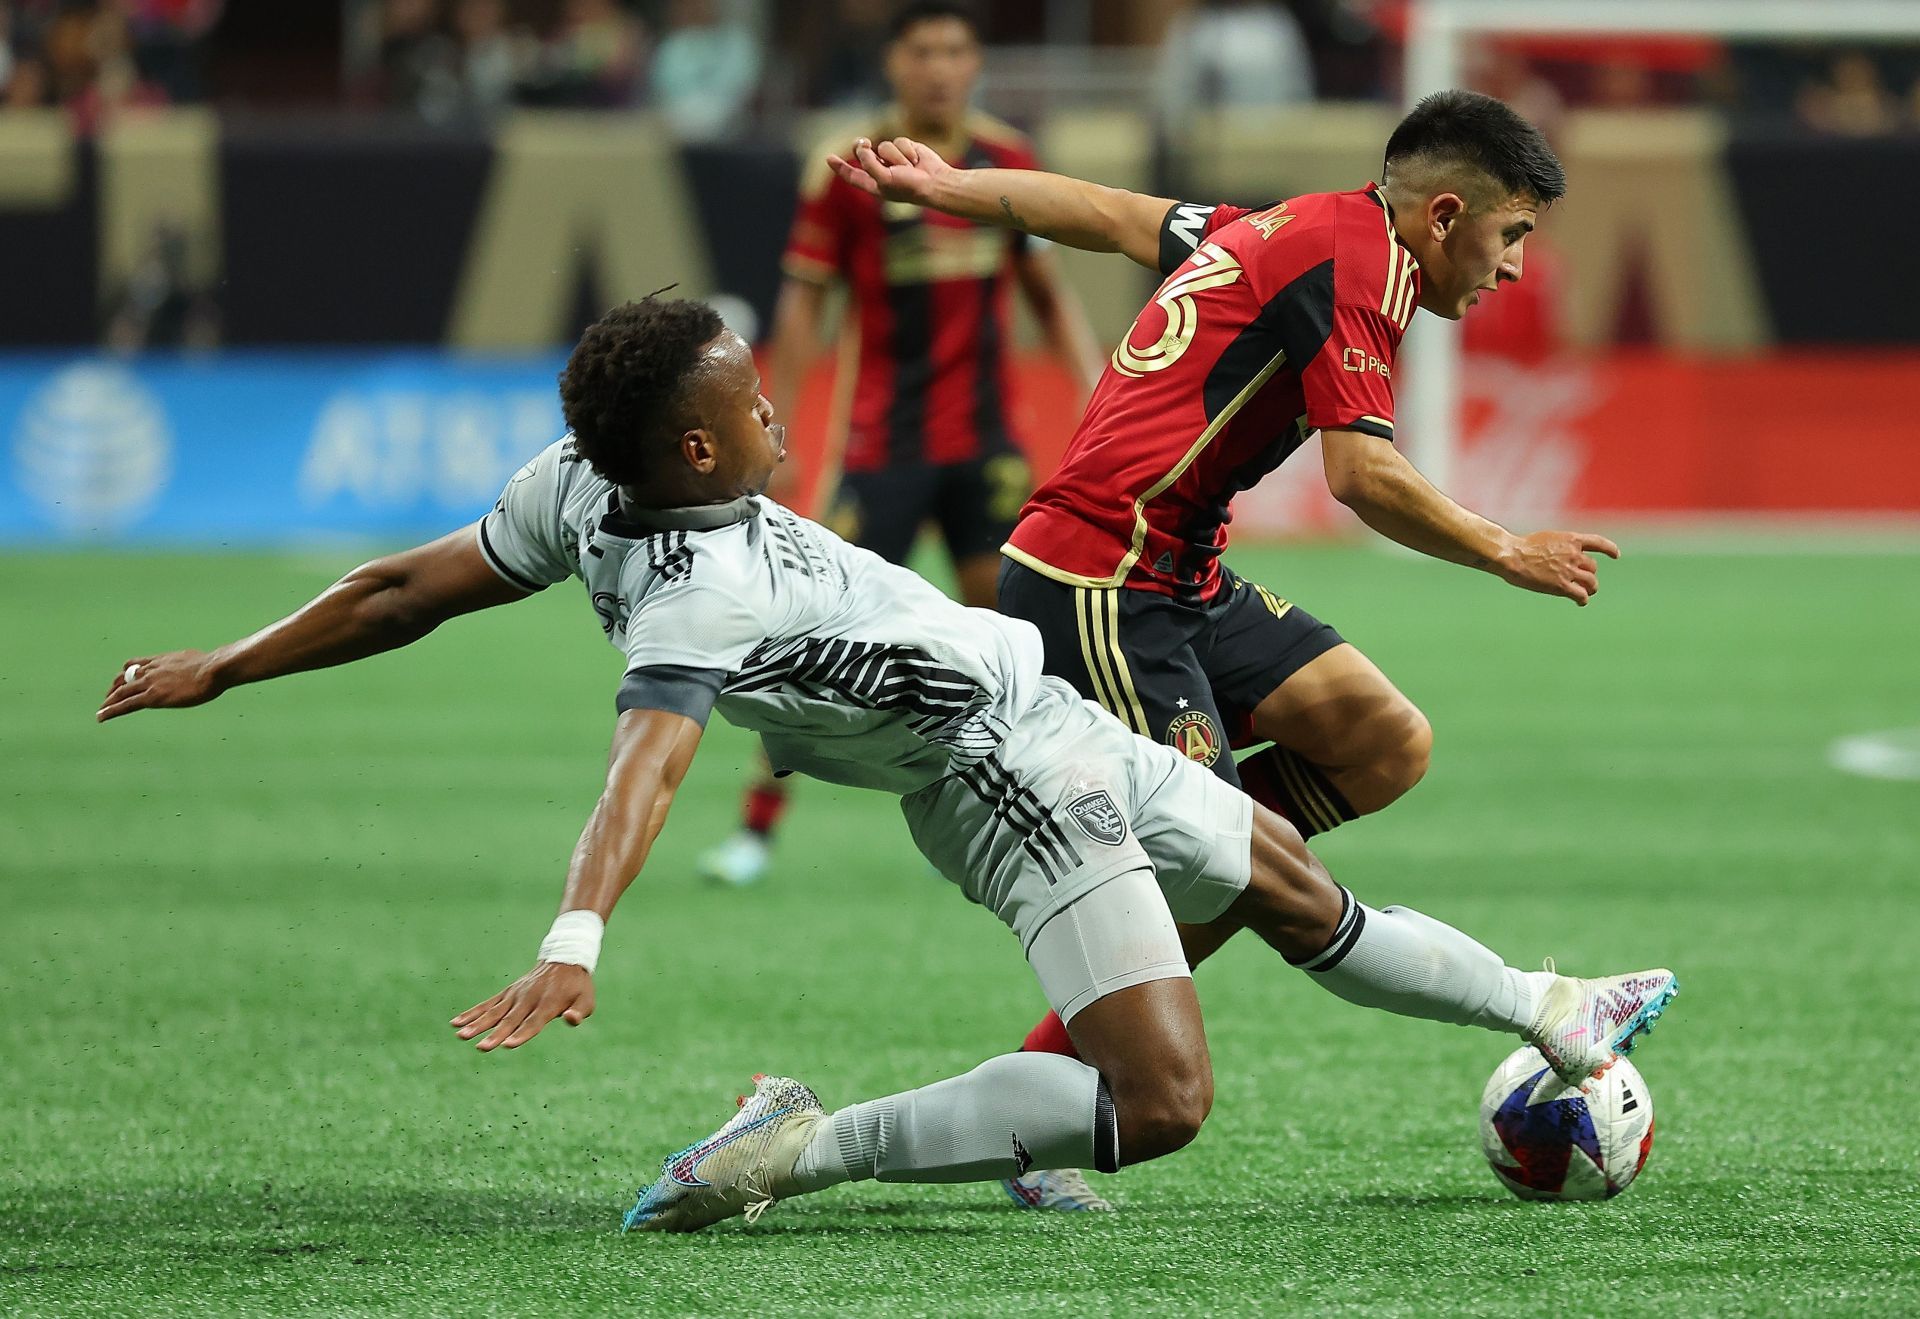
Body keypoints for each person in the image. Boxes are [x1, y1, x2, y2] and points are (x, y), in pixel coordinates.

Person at [97, 297, 1677, 1234]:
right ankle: (795, 1138)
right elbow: (647, 759)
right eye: (749, 395)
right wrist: (572, 936)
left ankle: (1554, 1006)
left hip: (1044, 711)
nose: (775, 403)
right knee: (1165, 1098)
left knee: (1286, 878)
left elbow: (399, 587)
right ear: (701, 449)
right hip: (1000, 773)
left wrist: (225, 663)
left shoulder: (578, 477)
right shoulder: (700, 586)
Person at [829, 89, 1624, 1206]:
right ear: (1446, 214)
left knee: (1379, 740)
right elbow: (1361, 476)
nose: (1511, 268)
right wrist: (1506, 549)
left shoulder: (1289, 225)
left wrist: (951, 188)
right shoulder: (1360, 271)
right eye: (1513, 236)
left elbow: (1105, 212)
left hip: (1177, 572)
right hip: (1102, 579)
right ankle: (1052, 1096)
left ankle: (1195, 872)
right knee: (1229, 863)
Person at [697, 0, 1104, 890]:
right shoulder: (849, 168)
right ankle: (755, 831)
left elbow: (1047, 291)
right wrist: (774, 419)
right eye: (923, 50)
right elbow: (806, 306)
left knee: (1025, 639)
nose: (940, 67)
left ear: (976, 62)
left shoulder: (1007, 161)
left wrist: (1098, 396)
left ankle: (1070, 810)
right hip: (882, 448)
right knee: (809, 636)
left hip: (986, 447)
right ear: (894, 64)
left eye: (957, 50)